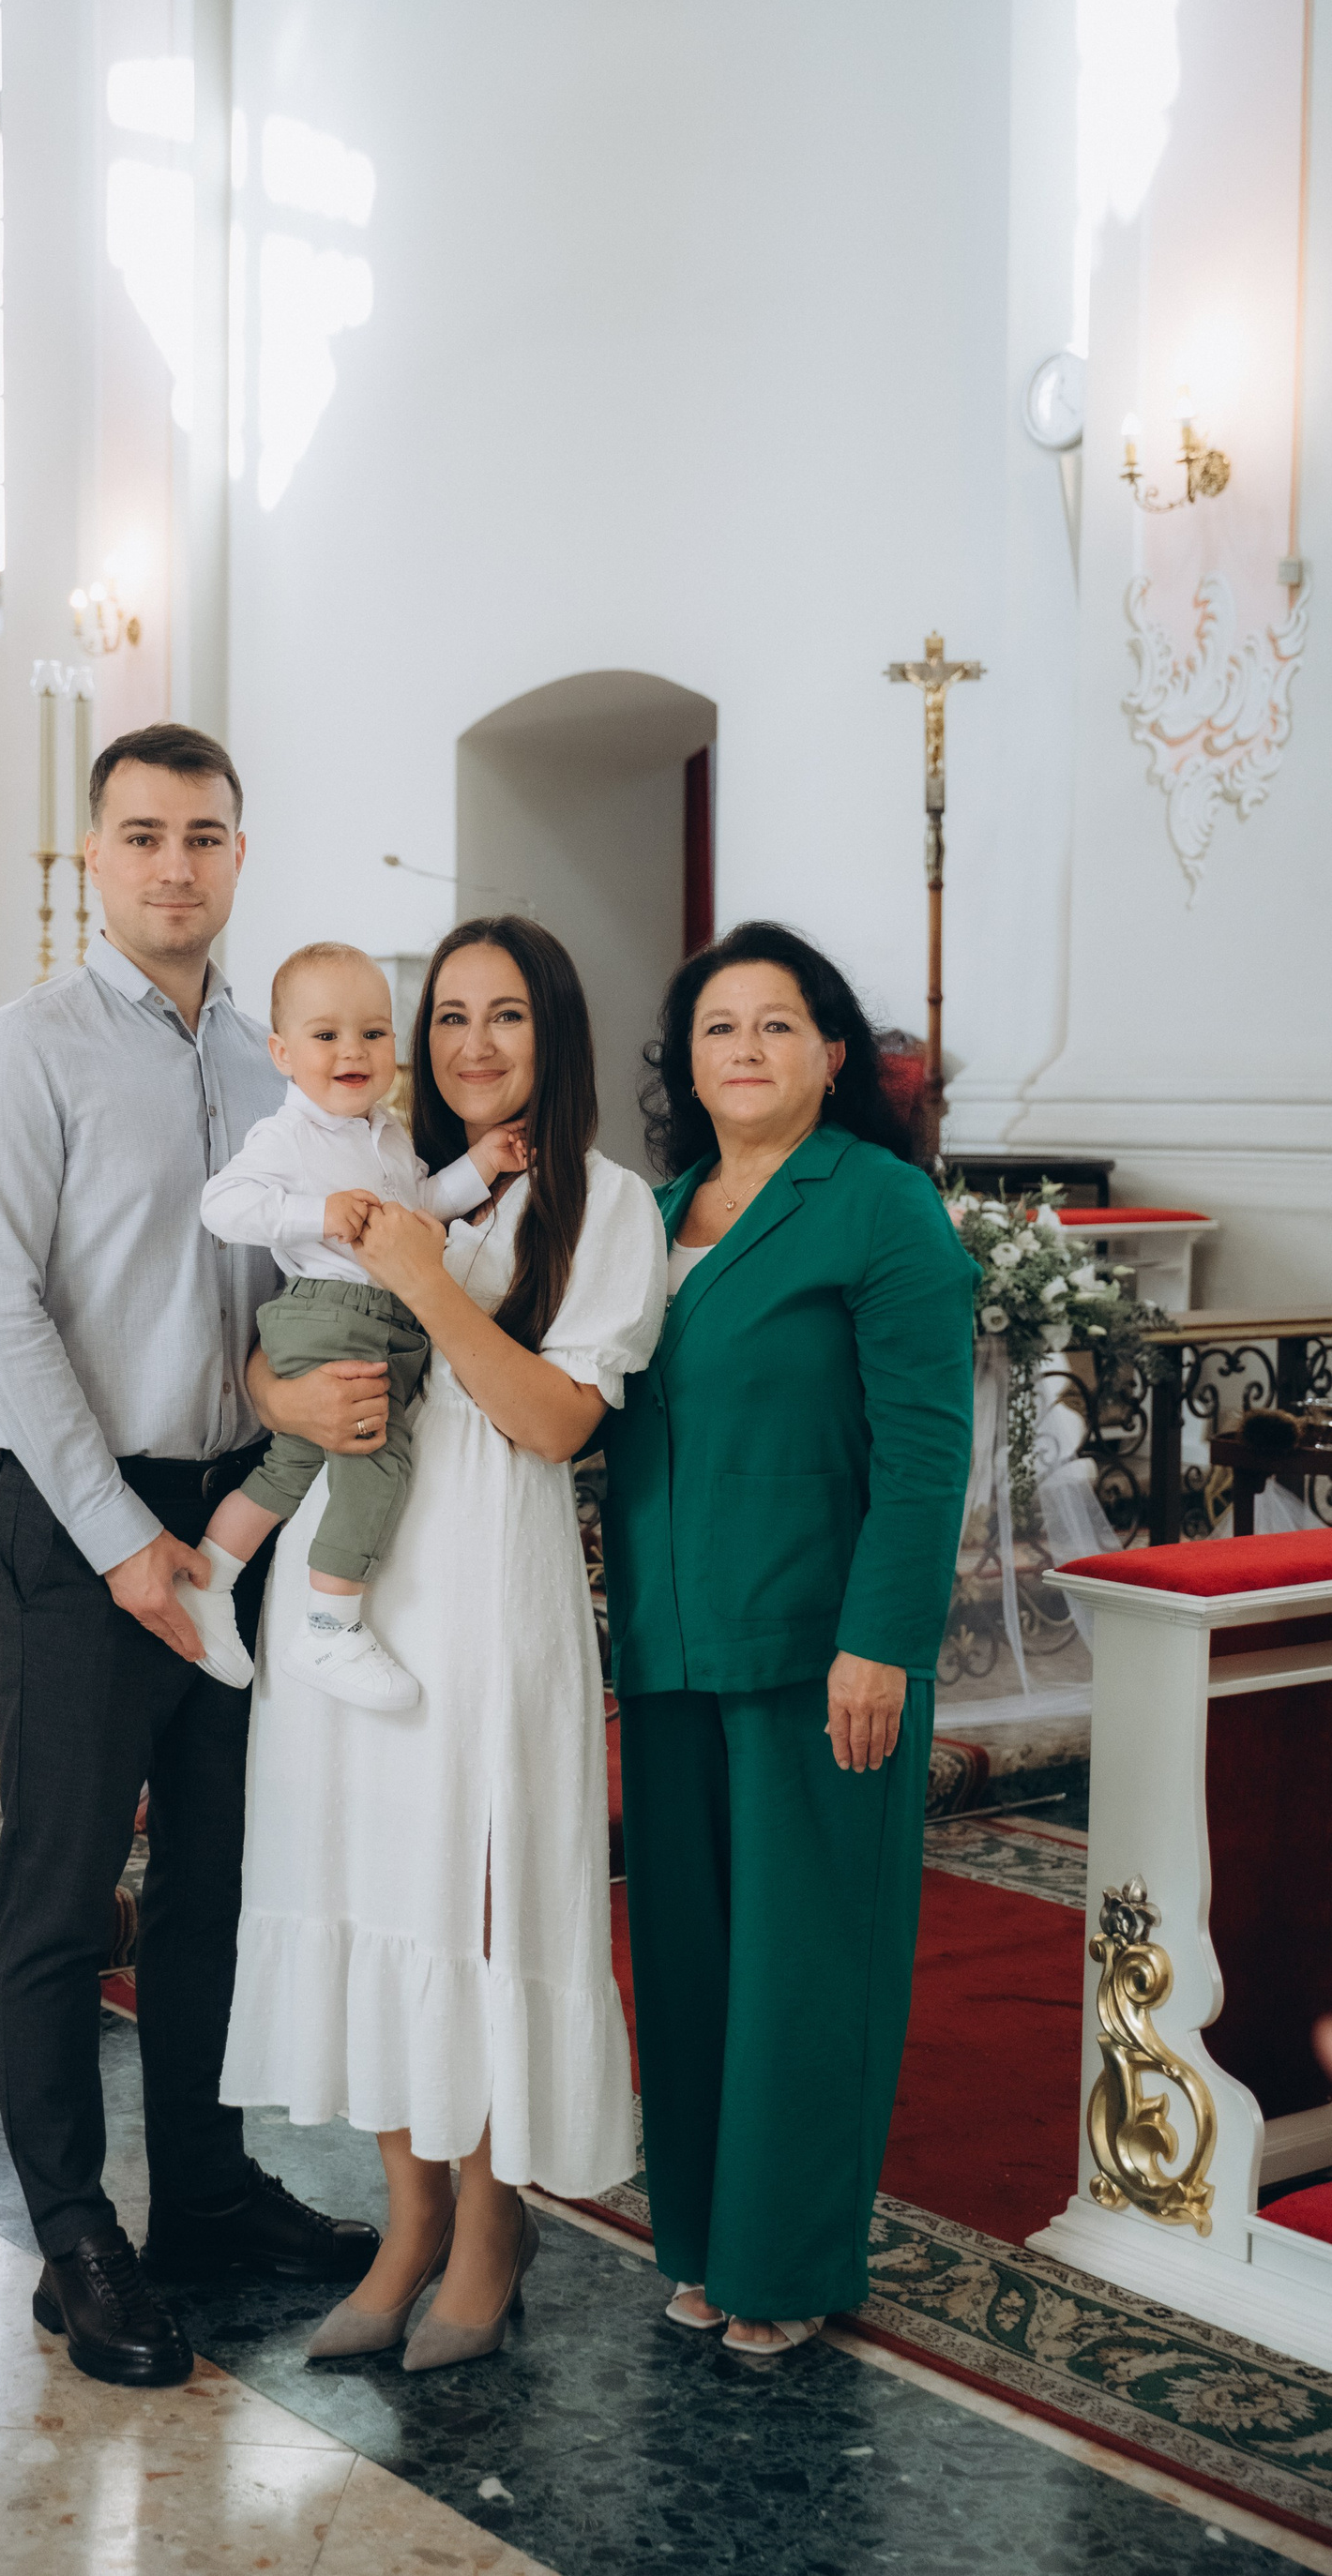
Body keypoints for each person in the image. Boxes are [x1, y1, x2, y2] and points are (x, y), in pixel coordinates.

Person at [0, 724, 382, 2394]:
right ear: (96, 854)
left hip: (237, 1514)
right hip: (84, 1519)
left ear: (239, 854)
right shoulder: (25, 1048)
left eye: (204, 834)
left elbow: (286, 1291)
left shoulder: (280, 1064)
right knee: (64, 1894)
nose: (175, 864)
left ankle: (201, 2191)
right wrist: (124, 1538)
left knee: (216, 1880)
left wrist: (293, 1425)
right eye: (143, 834)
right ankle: (74, 2237)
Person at [219, 917, 667, 2373]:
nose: (474, 1042)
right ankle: (407, 2220)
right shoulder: (373, 1166)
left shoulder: (605, 1201)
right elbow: (283, 1333)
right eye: (452, 1015)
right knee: (371, 1881)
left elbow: (555, 1421)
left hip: (483, 1582)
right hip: (348, 1580)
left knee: (473, 1903)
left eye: (508, 1014)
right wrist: (279, 1400)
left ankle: (490, 2222)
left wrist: (425, 1280)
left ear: (557, 1033)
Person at [605, 921, 976, 2355]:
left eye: (776, 1024)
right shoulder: (651, 1212)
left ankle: (789, 2258)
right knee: (689, 1965)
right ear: (685, 1063)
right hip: (669, 1644)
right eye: (719, 1026)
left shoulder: (880, 1204)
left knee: (806, 1967)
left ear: (831, 1055)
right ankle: (704, 2240)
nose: (746, 1048)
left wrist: (882, 1640)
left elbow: (926, 1449)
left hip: (822, 1651)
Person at [188, 940, 526, 1710]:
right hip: (330, 1313)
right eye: (326, 1035)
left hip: (373, 1316)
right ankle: (330, 1625)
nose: (353, 1051)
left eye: (373, 1033)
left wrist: (483, 1164)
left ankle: (208, 1577)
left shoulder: (386, 1133)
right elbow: (222, 1206)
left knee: (292, 1463)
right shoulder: (288, 1135)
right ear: (282, 1053)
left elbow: (421, 1207)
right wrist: (318, 1213)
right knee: (378, 1456)